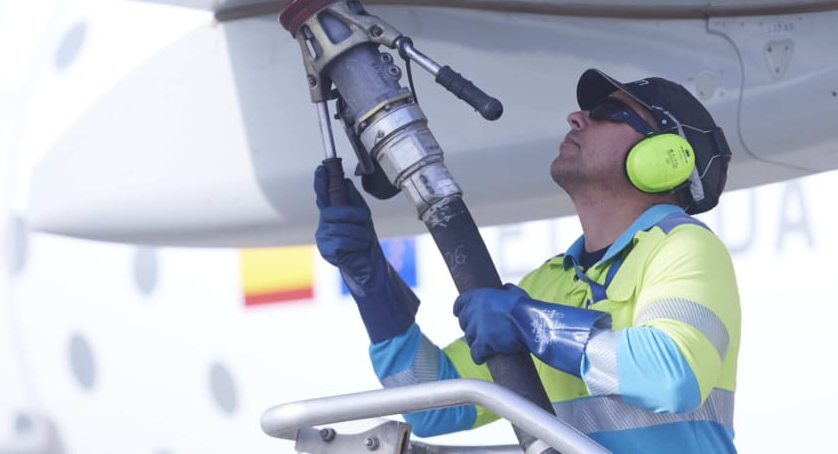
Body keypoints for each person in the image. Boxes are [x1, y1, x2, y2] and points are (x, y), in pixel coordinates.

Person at [314, 69, 739, 452]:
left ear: (667, 157)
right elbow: (432, 404)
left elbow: (672, 374)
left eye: (609, 112)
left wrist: (533, 323)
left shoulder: (682, 246)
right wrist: (369, 278)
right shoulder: (548, 284)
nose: (576, 118)